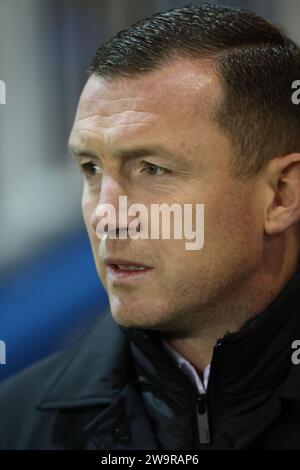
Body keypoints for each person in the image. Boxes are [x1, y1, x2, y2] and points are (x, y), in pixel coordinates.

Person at [0, 2, 300, 450]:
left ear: (281, 195)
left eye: (153, 169)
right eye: (91, 168)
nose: (107, 215)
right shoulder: (18, 423)